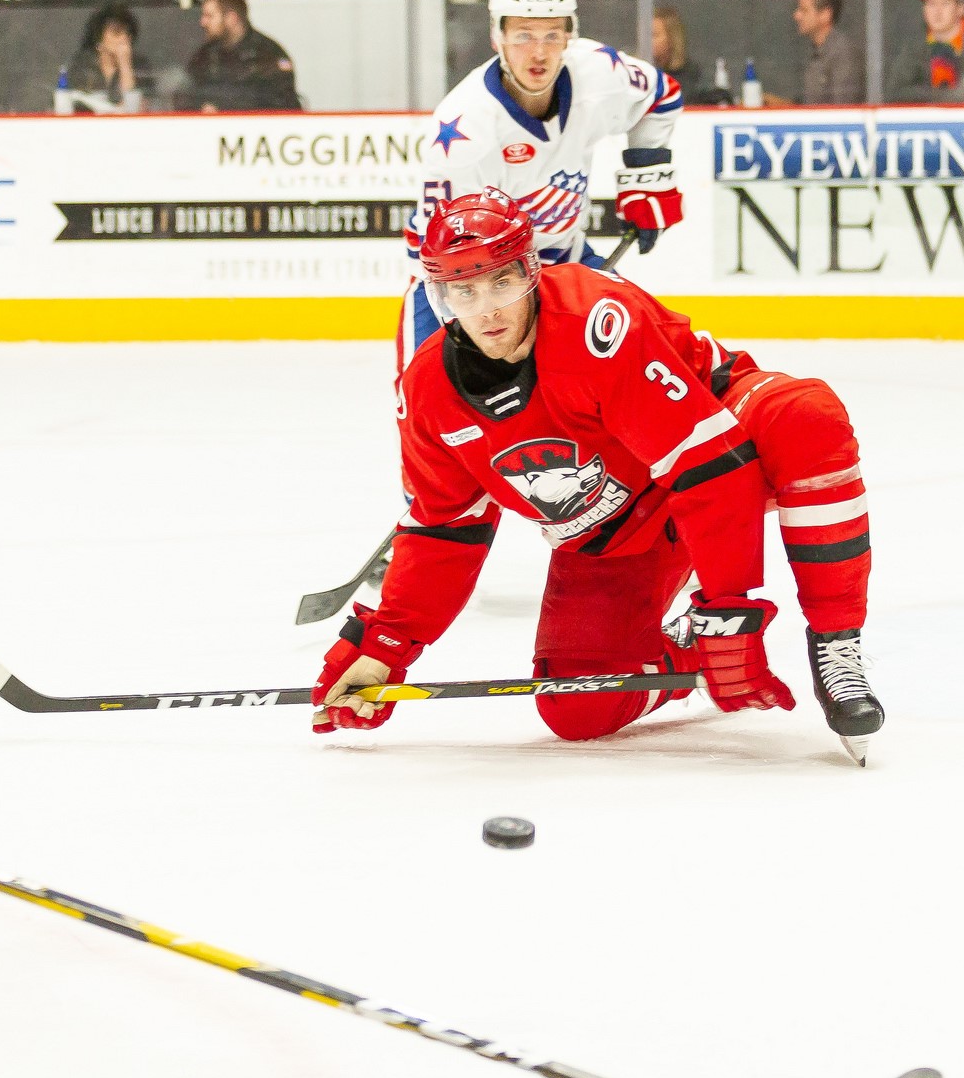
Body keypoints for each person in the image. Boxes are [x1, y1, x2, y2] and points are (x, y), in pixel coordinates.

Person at [315, 189, 883, 750]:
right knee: (576, 705)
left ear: (531, 272)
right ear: (440, 295)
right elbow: (446, 526)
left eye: (501, 283)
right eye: (464, 289)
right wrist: (384, 644)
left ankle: (836, 643)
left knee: (805, 417)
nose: (486, 308)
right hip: (619, 529)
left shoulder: (596, 323)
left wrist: (729, 610)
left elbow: (706, 466)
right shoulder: (429, 392)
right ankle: (684, 649)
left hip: (723, 444)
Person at [399, 0, 684, 364]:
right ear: (497, 38)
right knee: (435, 396)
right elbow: (433, 255)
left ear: (570, 35)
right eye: (523, 36)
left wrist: (646, 176)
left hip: (567, 261)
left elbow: (661, 97)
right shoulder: (465, 132)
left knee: (655, 351)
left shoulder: (601, 72)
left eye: (552, 35)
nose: (539, 52)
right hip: (491, 287)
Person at [181, 0, 302, 111]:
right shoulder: (207, 54)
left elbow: (278, 102)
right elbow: (188, 91)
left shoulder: (268, 54)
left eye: (209, 16)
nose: (203, 22)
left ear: (232, 18)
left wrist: (223, 107)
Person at [65, 2, 149, 111]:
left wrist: (125, 65)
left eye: (128, 33)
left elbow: (136, 109)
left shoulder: (140, 66)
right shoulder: (82, 67)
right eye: (116, 32)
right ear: (99, 39)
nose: (124, 38)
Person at [792, 0, 864, 104]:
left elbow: (843, 109)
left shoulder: (843, 53)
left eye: (804, 10)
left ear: (825, 15)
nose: (796, 16)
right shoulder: (815, 52)